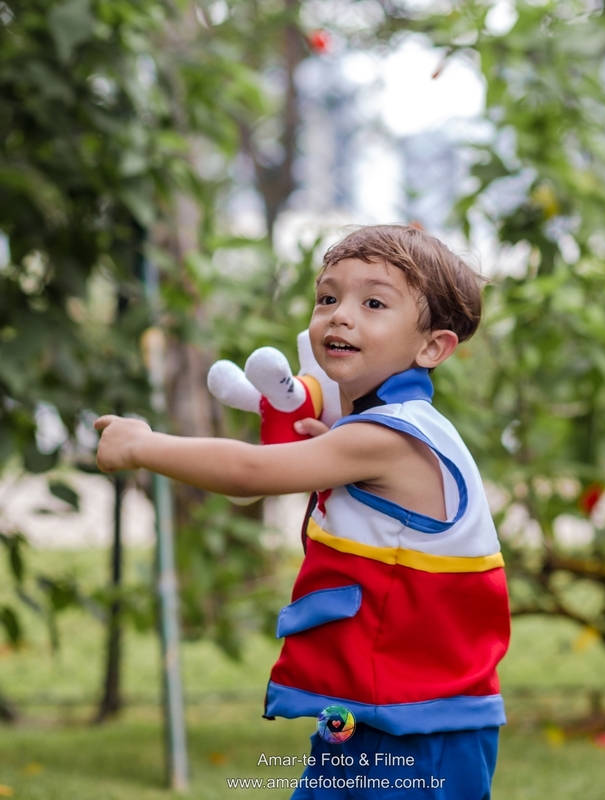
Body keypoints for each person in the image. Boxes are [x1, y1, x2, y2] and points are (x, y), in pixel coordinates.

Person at [94, 225, 510, 798]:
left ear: (432, 347)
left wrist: (142, 445)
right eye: (327, 297)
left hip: (421, 724)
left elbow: (250, 474)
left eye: (373, 303)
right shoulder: (369, 432)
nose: (339, 315)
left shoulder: (390, 438)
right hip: (371, 708)